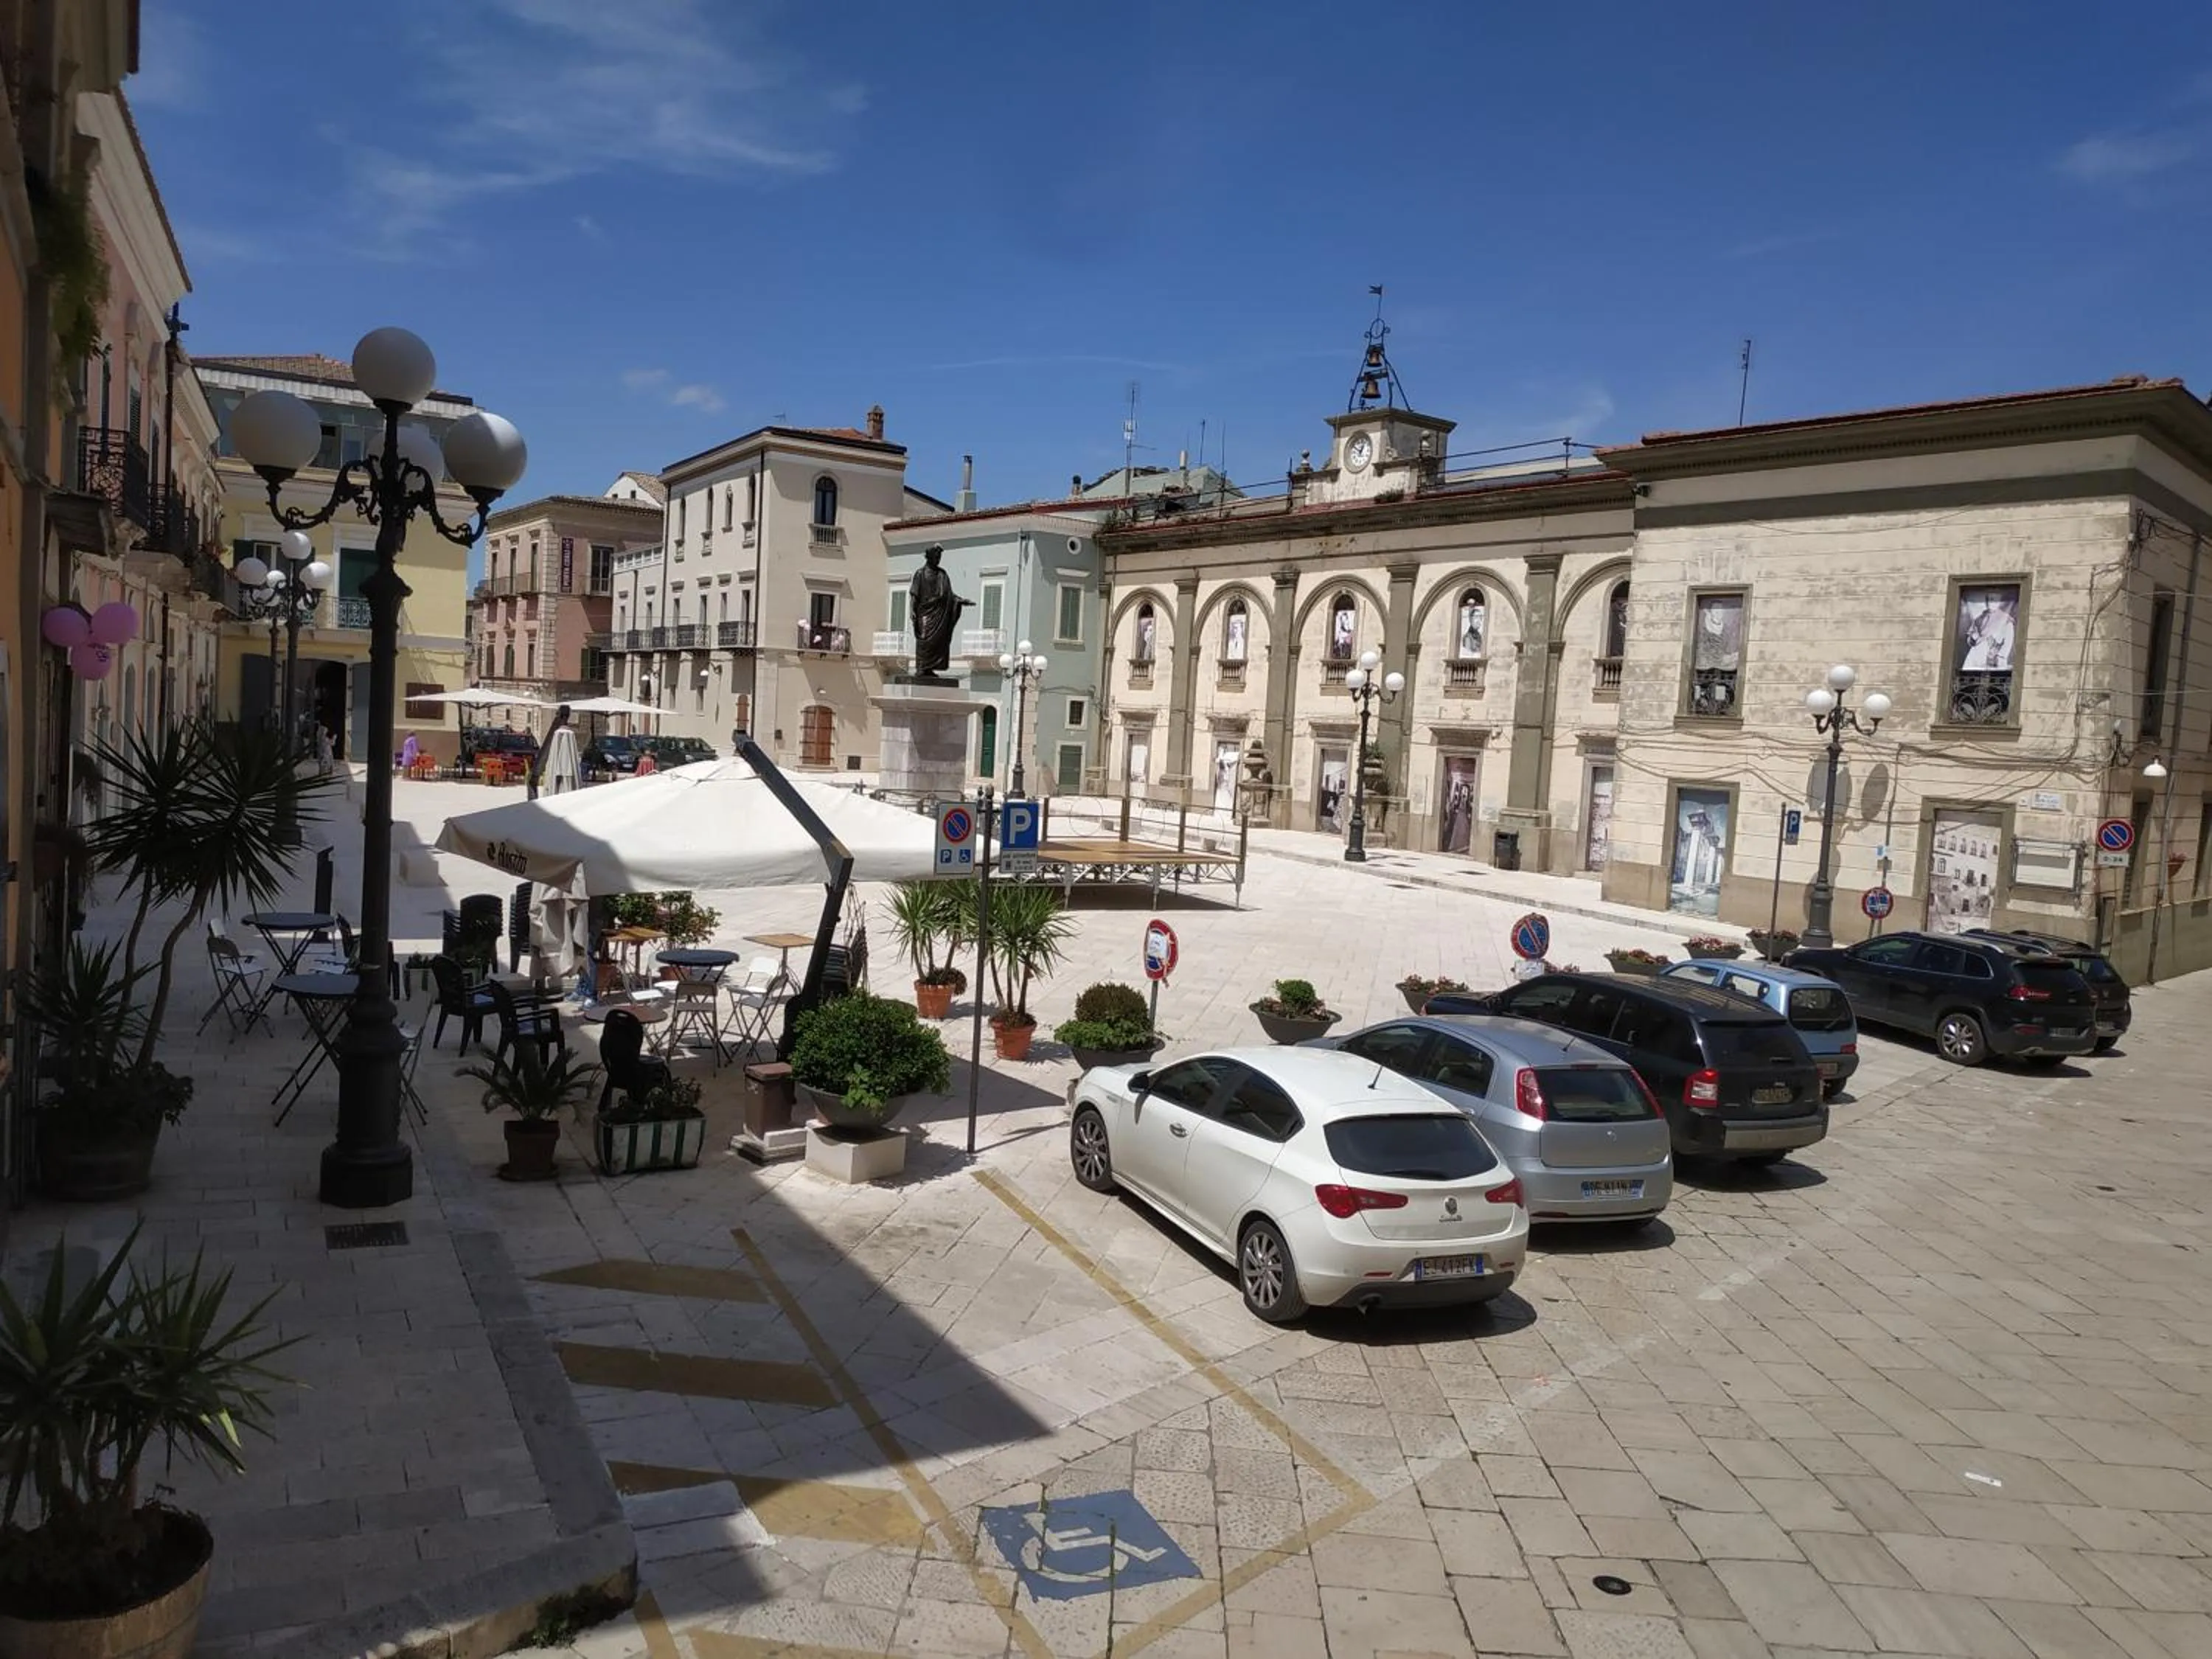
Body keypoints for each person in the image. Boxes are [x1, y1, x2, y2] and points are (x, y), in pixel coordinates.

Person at [908, 545, 973, 677]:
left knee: (938, 642)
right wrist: (912, 610)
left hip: (939, 615)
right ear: (929, 557)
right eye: (936, 557)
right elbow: (914, 595)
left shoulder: (942, 574)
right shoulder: (920, 574)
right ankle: (921, 667)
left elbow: (949, 595)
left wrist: (961, 600)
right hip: (925, 613)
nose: (938, 560)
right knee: (924, 638)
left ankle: (930, 668)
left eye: (940, 558)